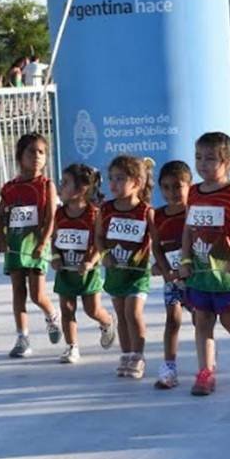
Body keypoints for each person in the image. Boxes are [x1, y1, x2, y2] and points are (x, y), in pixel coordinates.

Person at [179, 131, 230, 396]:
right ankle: (205, 372)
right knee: (202, 321)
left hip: (227, 271)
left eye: (211, 159)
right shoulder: (193, 192)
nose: (202, 164)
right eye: (198, 157)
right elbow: (188, 230)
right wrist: (186, 259)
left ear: (228, 162)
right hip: (201, 271)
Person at [0, 132, 60, 359]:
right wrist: (0, 238)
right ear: (19, 156)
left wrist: (43, 242)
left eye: (41, 152)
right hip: (15, 245)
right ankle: (22, 337)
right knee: (18, 292)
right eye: (31, 152)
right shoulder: (10, 188)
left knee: (37, 294)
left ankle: (52, 315)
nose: (37, 157)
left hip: (36, 246)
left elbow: (52, 216)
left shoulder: (46, 185)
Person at [50, 163, 116, 365]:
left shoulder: (94, 214)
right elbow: (55, 238)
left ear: (81, 190)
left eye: (66, 183)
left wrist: (90, 261)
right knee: (67, 309)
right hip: (65, 272)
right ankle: (72, 347)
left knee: (91, 310)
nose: (60, 187)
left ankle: (107, 321)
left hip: (87, 272)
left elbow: (99, 242)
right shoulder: (59, 213)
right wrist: (55, 257)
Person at [98, 156, 154, 379]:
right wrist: (104, 255)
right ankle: (127, 354)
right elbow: (99, 237)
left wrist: (159, 262)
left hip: (137, 274)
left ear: (137, 182)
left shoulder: (145, 211)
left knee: (133, 312)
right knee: (121, 314)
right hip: (115, 273)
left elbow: (157, 241)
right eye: (111, 178)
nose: (113, 184)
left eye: (120, 178)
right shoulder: (106, 209)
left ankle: (138, 356)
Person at [150, 160, 192, 388]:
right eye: (165, 187)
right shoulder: (158, 215)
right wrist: (162, 267)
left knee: (200, 319)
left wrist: (188, 267)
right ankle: (169, 367)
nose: (171, 192)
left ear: (189, 186)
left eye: (177, 186)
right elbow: (156, 246)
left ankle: (207, 362)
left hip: (195, 277)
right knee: (172, 320)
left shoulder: (193, 212)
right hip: (172, 280)